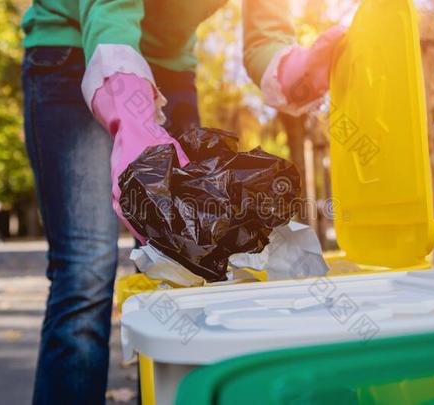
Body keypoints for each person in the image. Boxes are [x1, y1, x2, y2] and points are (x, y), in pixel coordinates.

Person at [21, 1, 344, 403]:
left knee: (184, 268)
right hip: (71, 45)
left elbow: (265, 29)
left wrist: (289, 67)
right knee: (85, 269)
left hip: (168, 67)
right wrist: (127, 104)